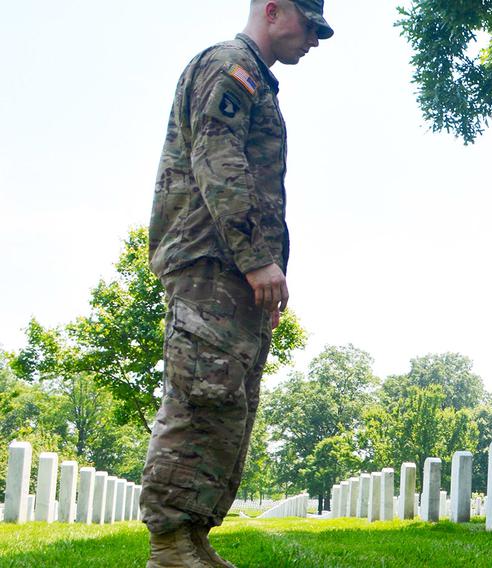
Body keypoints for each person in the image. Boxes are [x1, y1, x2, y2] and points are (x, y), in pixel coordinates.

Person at [142, 1, 333, 566]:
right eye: (311, 25)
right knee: (201, 397)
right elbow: (218, 159)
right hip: (214, 263)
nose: (316, 40)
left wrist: (264, 276)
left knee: (229, 406)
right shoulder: (231, 67)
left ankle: (193, 538)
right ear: (273, 10)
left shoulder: (255, 80)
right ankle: (170, 542)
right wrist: (255, 260)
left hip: (234, 271)